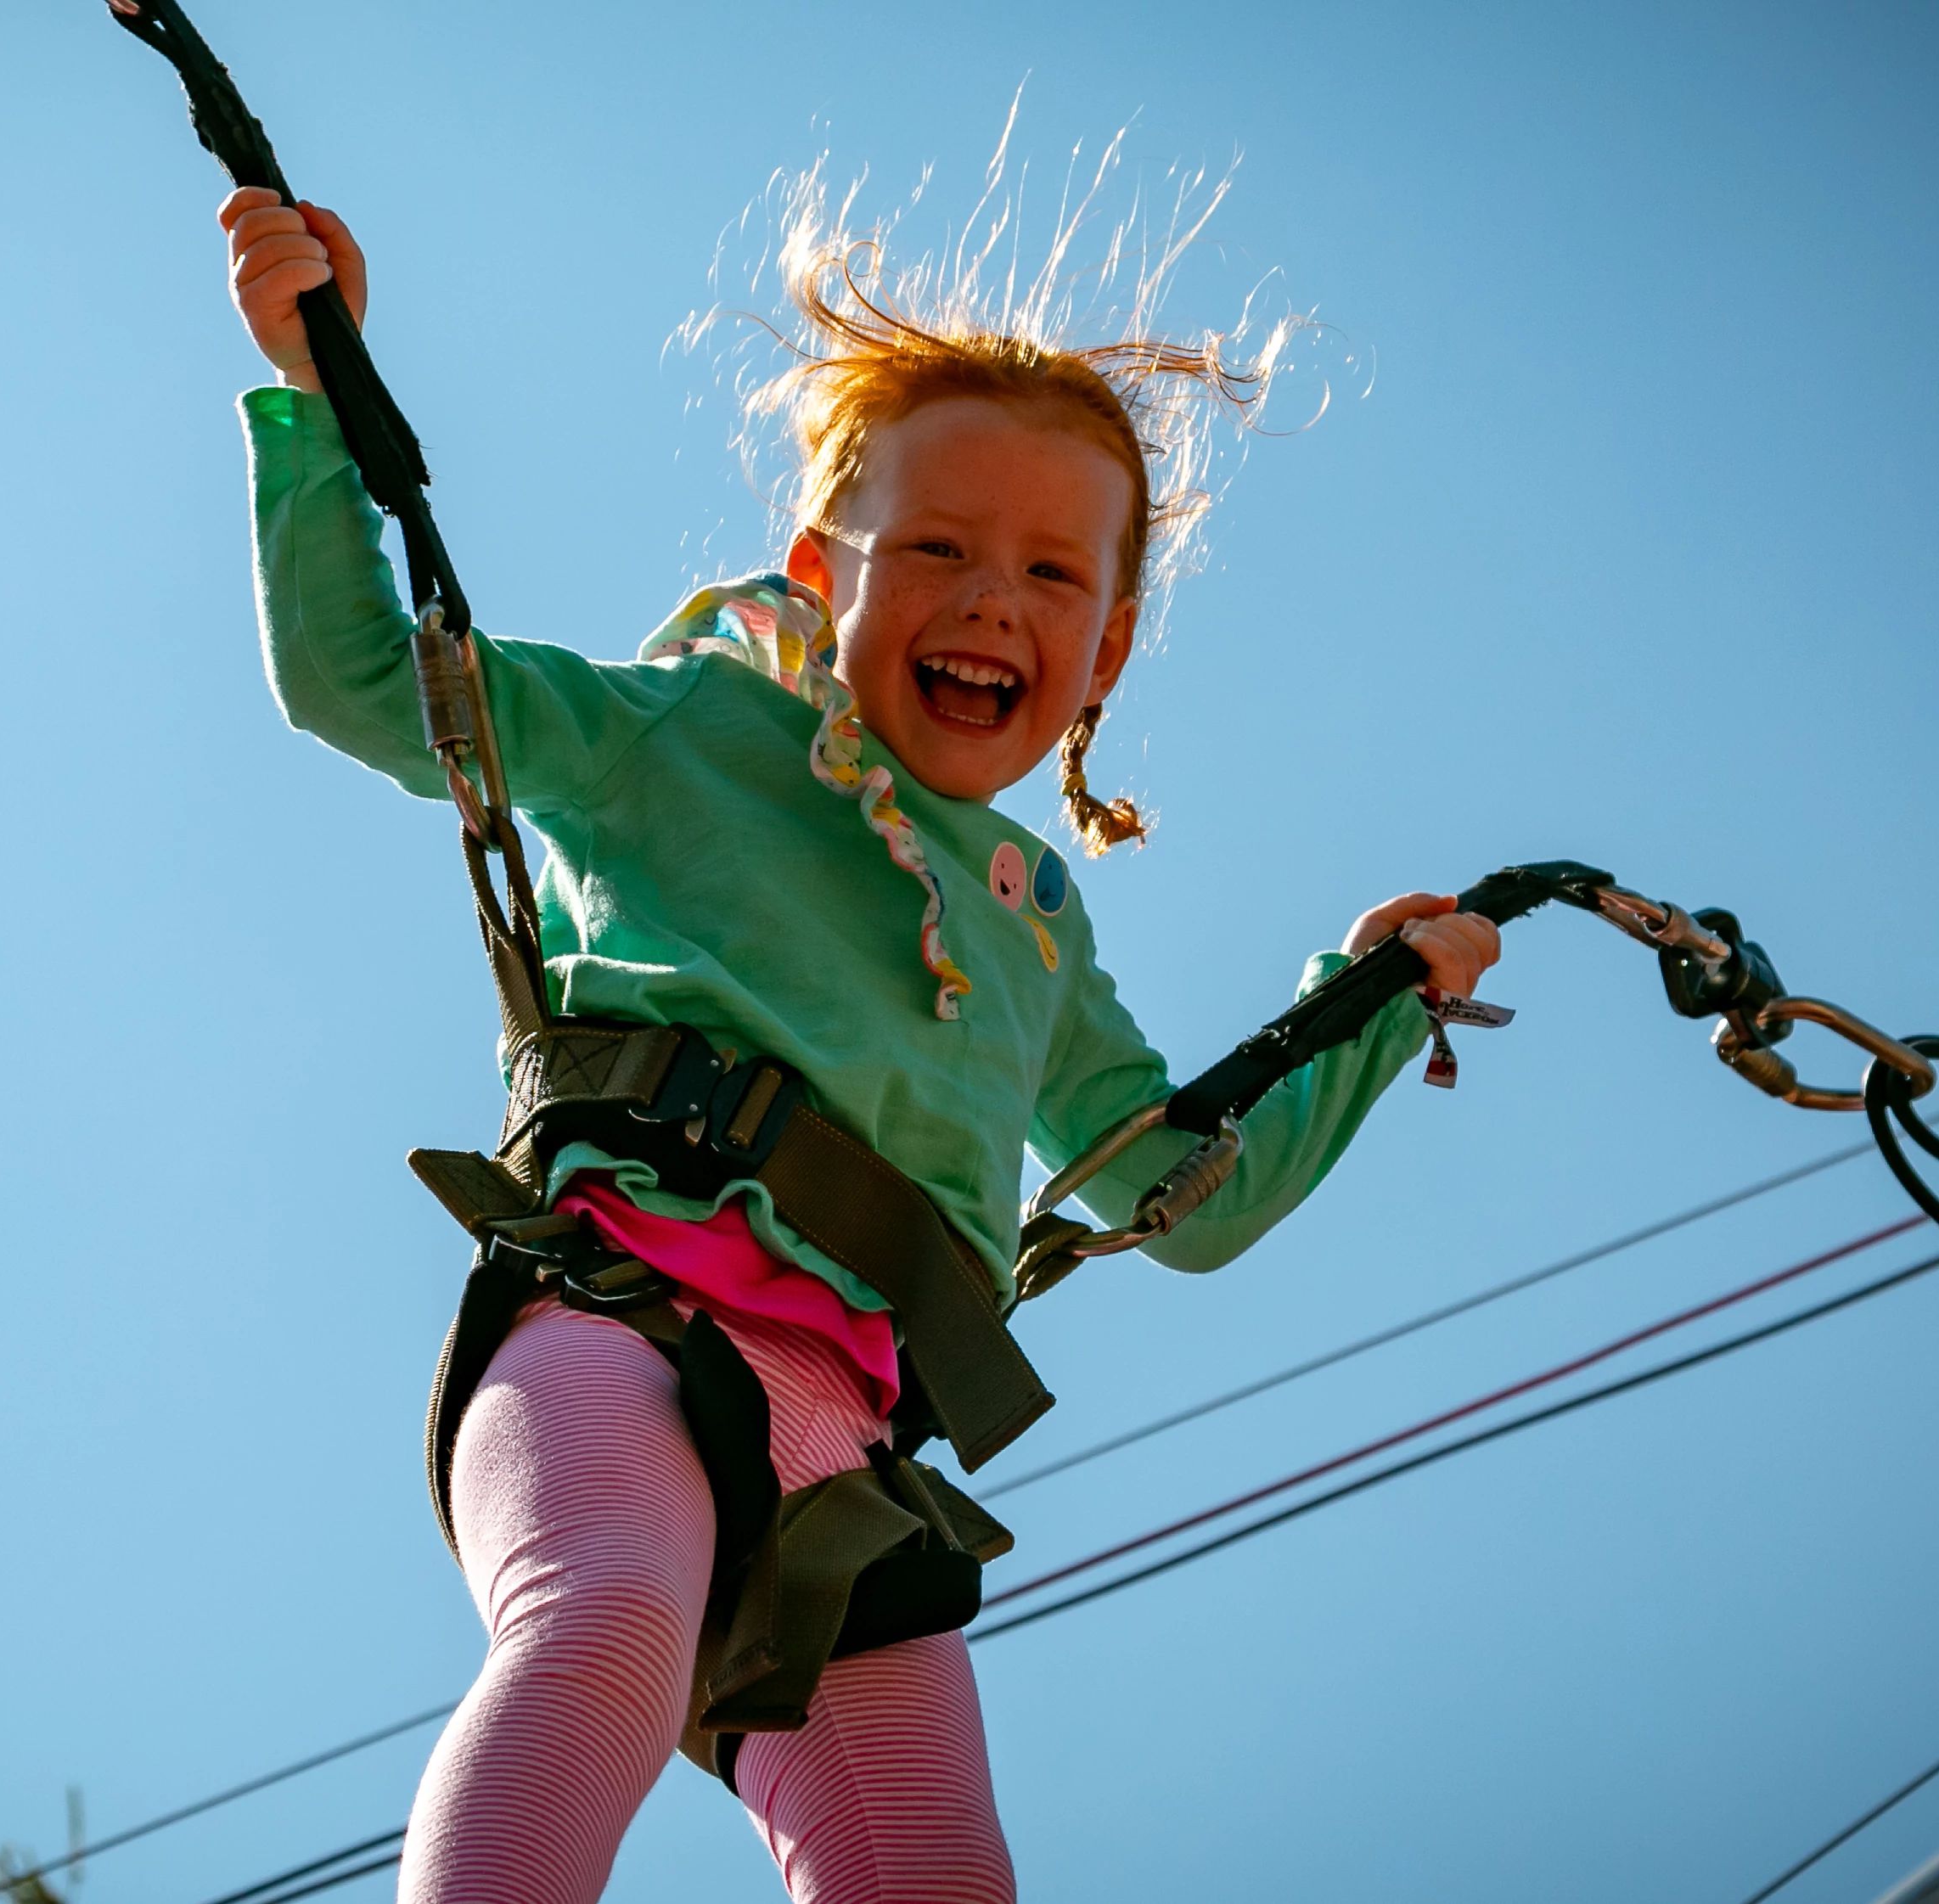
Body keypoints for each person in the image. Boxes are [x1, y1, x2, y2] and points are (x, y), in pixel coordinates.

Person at [217, 180, 1501, 1904]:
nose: (990, 601)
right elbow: (361, 680)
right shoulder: (685, 726)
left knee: (934, 1866)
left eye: (1051, 572)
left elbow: (1184, 1189)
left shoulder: (1034, 919)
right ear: (824, 574)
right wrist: (314, 392)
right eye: (939, 549)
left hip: (846, 1451)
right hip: (618, 1313)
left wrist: (1364, 1008)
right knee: (604, 1633)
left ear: (1105, 646)